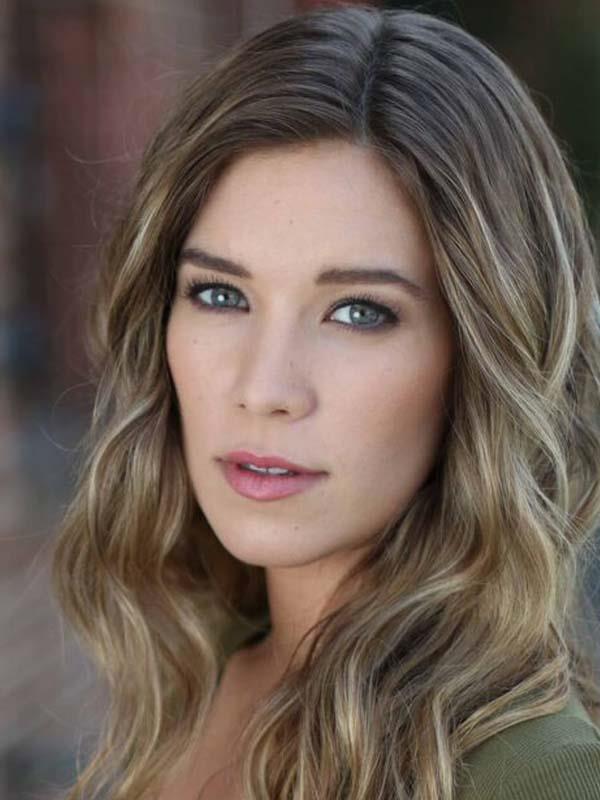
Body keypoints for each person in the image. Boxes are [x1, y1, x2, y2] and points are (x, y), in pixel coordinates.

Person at [51, 5, 600, 799]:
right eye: (220, 294)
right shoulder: (198, 668)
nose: (263, 388)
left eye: (358, 312)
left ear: (481, 356)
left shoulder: (542, 777)